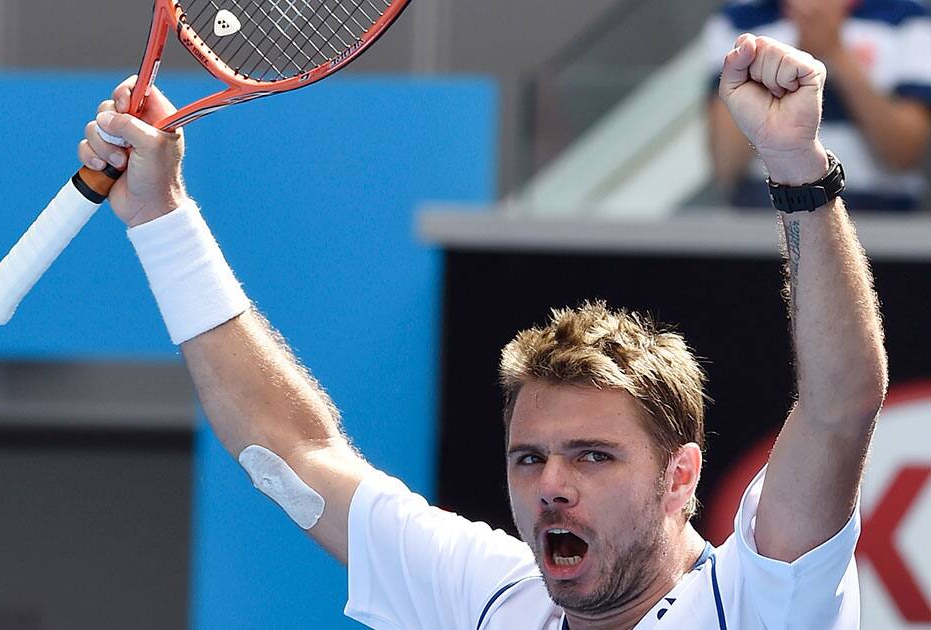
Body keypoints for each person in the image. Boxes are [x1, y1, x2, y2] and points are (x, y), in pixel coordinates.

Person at [80, 35, 886, 628]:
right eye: (529, 457)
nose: (551, 485)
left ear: (681, 478)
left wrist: (795, 168)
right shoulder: (489, 596)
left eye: (593, 456)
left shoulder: (762, 600)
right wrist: (160, 215)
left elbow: (841, 406)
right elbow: (289, 452)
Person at [704, 0, 931, 211]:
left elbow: (906, 154)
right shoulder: (738, 19)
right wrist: (781, 69)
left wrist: (834, 53)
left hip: (880, 219)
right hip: (766, 216)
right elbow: (725, 166)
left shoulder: (908, 17)